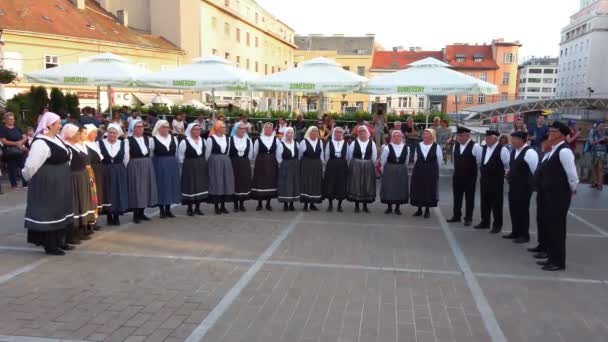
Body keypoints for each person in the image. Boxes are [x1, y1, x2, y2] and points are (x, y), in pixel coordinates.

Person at [22, 112, 73, 255]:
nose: (60, 125)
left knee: (60, 210)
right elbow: (31, 166)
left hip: (60, 182)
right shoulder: (40, 142)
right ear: (49, 125)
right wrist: (27, 177)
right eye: (58, 123)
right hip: (47, 183)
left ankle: (60, 241)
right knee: (49, 212)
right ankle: (50, 245)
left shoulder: (56, 138)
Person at [536, 121, 579, 271]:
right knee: (551, 226)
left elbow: (572, 174)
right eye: (550, 131)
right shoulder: (554, 149)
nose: (549, 134)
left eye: (553, 132)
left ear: (560, 135)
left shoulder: (564, 151)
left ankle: (558, 262)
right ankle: (551, 257)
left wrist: (572, 189)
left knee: (558, 229)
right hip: (550, 194)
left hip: (559, 195)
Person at [62, 124, 95, 245]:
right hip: (73, 178)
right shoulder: (68, 148)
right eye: (76, 133)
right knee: (75, 205)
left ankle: (81, 229)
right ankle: (73, 233)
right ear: (70, 135)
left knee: (82, 203)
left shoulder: (76, 147)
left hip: (82, 177)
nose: (78, 135)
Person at [504, 131, 538, 244]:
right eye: (512, 139)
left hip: (524, 187)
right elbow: (512, 166)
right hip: (513, 186)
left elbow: (534, 170)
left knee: (523, 210)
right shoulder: (514, 151)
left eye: (514, 139)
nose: (512, 141)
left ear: (522, 140)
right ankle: (515, 231)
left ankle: (524, 234)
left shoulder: (530, 152)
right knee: (514, 209)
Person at [475, 130, 510, 234]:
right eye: (486, 138)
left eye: (489, 138)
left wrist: (504, 176)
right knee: (484, 201)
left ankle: (497, 225)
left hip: (496, 181)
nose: (486, 140)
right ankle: (485, 221)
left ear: (495, 139)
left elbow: (507, 164)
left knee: (496, 203)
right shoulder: (484, 148)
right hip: (484, 179)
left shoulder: (502, 149)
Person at [447, 126, 482, 226]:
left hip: (470, 177)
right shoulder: (456, 146)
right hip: (457, 176)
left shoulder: (475, 146)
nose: (459, 138)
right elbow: (455, 160)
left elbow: (479, 161)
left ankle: (468, 218)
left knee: (469, 198)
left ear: (467, 136)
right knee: (457, 197)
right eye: (458, 136)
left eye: (461, 136)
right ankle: (456, 215)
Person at [126, 120, 158, 223]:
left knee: (145, 189)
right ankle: (136, 214)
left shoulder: (148, 139)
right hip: (135, 166)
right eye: (138, 127)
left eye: (142, 127)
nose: (140, 128)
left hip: (147, 164)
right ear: (133, 128)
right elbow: (126, 156)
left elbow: (151, 152)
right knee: (136, 190)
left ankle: (142, 212)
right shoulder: (128, 140)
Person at [98, 123, 129, 226]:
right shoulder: (100, 143)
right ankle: (109, 215)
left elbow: (126, 159)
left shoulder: (123, 143)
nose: (112, 135)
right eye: (110, 132)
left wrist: (120, 169)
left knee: (117, 192)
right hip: (105, 170)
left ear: (117, 134)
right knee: (107, 192)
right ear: (107, 133)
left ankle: (116, 215)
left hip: (118, 170)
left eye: (114, 133)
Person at [151, 120, 180, 219]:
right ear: (158, 128)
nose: (166, 129)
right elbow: (151, 154)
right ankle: (161, 210)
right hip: (159, 164)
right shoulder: (153, 139)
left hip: (172, 164)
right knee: (161, 186)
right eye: (163, 127)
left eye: (167, 127)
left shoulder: (174, 139)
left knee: (170, 185)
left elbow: (176, 153)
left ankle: (168, 209)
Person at [410, 128, 443, 218]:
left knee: (429, 189)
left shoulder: (437, 147)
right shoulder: (419, 145)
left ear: (432, 136)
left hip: (431, 171)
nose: (424, 135)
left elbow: (439, 160)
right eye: (424, 134)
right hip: (419, 170)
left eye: (427, 134)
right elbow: (416, 158)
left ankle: (427, 210)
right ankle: (419, 209)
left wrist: (434, 170)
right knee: (419, 189)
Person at [528, 134, 551, 258]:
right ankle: (541, 245)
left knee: (547, 221)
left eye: (544, 143)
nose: (542, 145)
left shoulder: (554, 156)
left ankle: (547, 249)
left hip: (550, 194)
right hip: (541, 192)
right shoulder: (544, 155)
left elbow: (572, 176)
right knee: (540, 219)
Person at [178, 123, 208, 216]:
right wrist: (187, 164)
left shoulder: (203, 140)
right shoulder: (185, 142)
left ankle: (198, 208)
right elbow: (180, 156)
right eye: (195, 129)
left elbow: (206, 153)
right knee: (190, 186)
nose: (197, 131)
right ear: (190, 130)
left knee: (200, 186)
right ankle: (189, 208)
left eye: (199, 129)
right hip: (189, 166)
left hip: (201, 165)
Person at [206, 121, 235, 214]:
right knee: (216, 183)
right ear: (217, 128)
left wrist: (224, 159)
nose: (224, 129)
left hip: (225, 161)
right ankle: (216, 206)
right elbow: (207, 154)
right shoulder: (211, 139)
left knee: (225, 182)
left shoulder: (227, 139)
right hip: (215, 162)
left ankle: (223, 205)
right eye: (222, 127)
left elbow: (227, 151)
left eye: (224, 127)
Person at [347, 125, 377, 213]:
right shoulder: (354, 143)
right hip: (356, 165)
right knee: (356, 185)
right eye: (359, 132)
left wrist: (370, 164)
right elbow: (350, 155)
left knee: (366, 185)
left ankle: (365, 205)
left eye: (363, 131)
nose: (361, 133)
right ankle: (356, 205)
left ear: (366, 132)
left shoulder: (372, 143)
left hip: (368, 165)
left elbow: (374, 156)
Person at [380, 130, 409, 215]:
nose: (396, 137)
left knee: (399, 188)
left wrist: (402, 168)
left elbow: (406, 161)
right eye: (395, 136)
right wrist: (383, 169)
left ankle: (397, 208)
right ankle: (389, 207)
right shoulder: (387, 147)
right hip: (389, 169)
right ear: (392, 137)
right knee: (389, 187)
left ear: (401, 137)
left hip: (401, 169)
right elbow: (383, 160)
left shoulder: (406, 148)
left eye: (398, 136)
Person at [252, 123, 279, 211]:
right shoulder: (258, 139)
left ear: (272, 130)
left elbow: (278, 152)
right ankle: (259, 203)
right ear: (264, 129)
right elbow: (255, 152)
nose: (268, 129)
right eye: (266, 128)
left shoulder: (276, 140)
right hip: (261, 162)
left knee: (270, 182)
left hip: (272, 162)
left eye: (270, 128)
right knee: (260, 182)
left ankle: (268, 203)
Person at [84, 124, 107, 226]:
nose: (95, 134)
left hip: (98, 171)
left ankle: (94, 219)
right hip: (91, 171)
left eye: (96, 132)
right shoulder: (84, 144)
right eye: (93, 132)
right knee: (91, 195)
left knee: (96, 195)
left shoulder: (94, 143)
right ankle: (90, 220)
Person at [228, 122, 253, 212]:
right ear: (236, 129)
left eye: (244, 129)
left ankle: (242, 204)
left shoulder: (248, 140)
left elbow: (250, 153)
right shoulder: (230, 139)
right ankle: (235, 204)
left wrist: (244, 161)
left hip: (244, 163)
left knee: (243, 183)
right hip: (233, 164)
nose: (242, 130)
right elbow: (227, 153)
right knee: (235, 183)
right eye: (240, 128)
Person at [298, 126, 324, 211]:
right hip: (306, 164)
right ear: (309, 132)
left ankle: (313, 203)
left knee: (315, 183)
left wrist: (322, 165)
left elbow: (322, 155)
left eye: (316, 131)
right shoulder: (303, 142)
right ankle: (306, 204)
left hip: (317, 165)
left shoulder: (320, 142)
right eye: (313, 131)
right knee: (306, 183)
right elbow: (300, 155)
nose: (315, 133)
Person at [323, 127, 348, 212]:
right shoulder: (330, 142)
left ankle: (339, 205)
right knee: (330, 184)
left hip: (342, 165)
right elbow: (326, 155)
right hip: (331, 165)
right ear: (334, 133)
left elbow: (347, 155)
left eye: (340, 132)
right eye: (337, 132)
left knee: (341, 184)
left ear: (342, 134)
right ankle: (330, 205)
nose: (338, 134)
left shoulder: (345, 143)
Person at [0, 112, 28, 189]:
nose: (12, 120)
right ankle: (14, 184)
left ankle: (25, 183)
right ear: (5, 120)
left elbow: (25, 137)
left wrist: (20, 143)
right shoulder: (2, 129)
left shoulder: (17, 128)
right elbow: (3, 140)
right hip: (9, 151)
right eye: (10, 119)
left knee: (23, 166)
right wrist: (16, 143)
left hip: (20, 150)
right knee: (12, 168)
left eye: (13, 119)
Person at [276, 127, 299, 211]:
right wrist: (284, 165)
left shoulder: (296, 144)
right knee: (285, 185)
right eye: (288, 133)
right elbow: (278, 157)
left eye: (292, 133)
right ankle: (285, 204)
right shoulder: (281, 144)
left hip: (294, 166)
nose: (290, 134)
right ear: (285, 134)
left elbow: (298, 155)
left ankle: (292, 204)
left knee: (293, 184)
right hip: (285, 166)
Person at [588, 121, 607, 190]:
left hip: (602, 152)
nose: (602, 127)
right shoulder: (592, 132)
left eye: (603, 126)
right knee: (594, 167)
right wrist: (600, 139)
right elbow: (591, 143)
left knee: (600, 168)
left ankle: (600, 184)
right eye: (601, 126)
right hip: (594, 152)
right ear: (597, 126)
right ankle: (595, 182)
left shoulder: (605, 132)